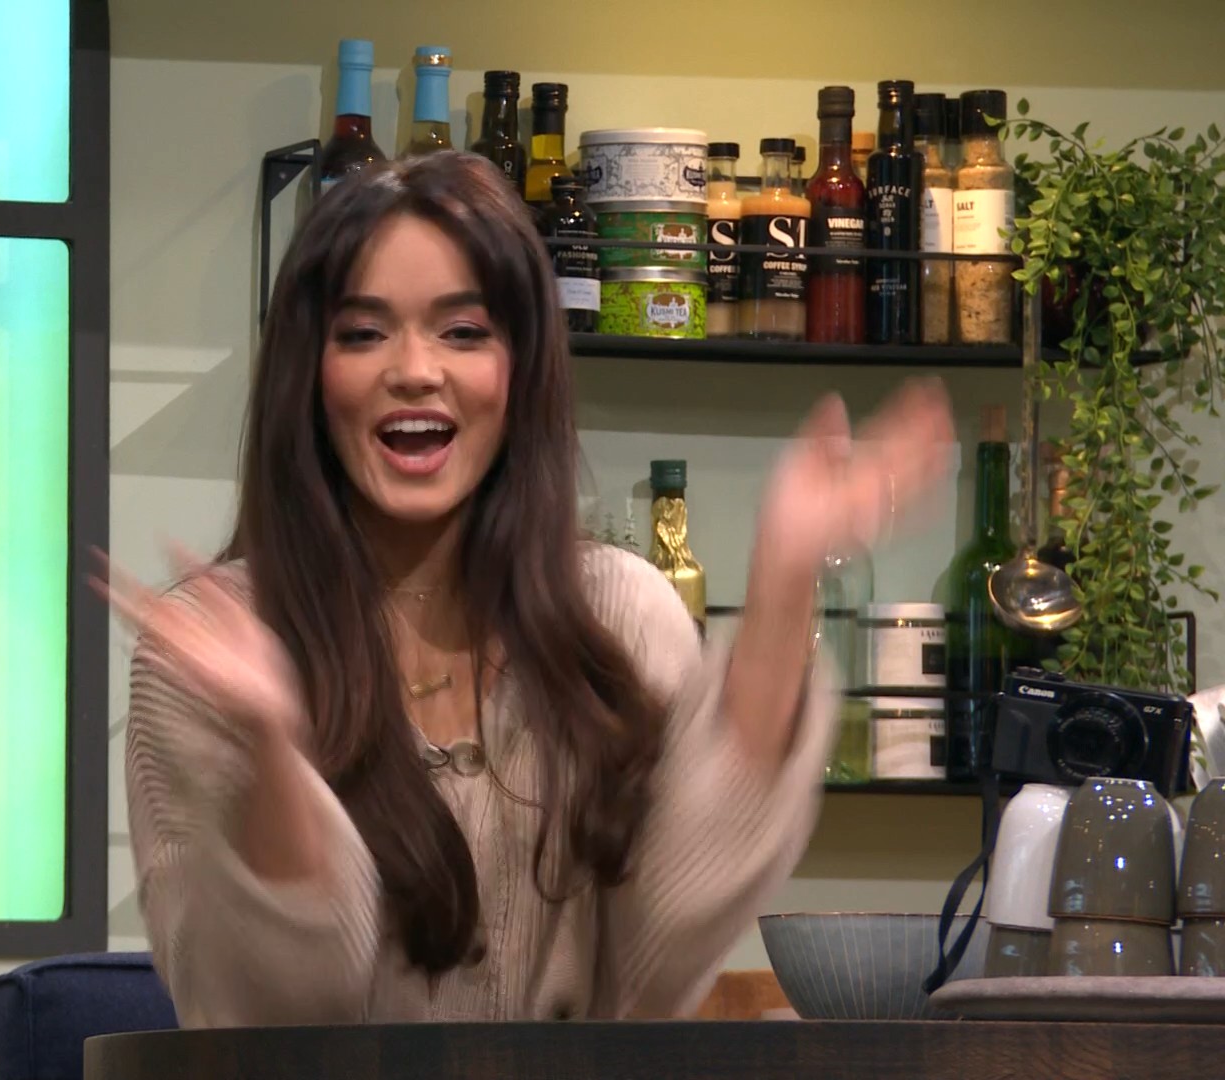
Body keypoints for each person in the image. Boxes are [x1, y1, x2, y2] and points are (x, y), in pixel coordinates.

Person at [93, 152, 955, 1027]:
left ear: (522, 369)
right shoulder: (216, 645)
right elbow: (269, 1022)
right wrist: (273, 753)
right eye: (363, 333)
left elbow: (664, 957)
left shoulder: (618, 616)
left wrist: (783, 578)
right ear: (308, 376)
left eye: (463, 331)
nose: (415, 369)